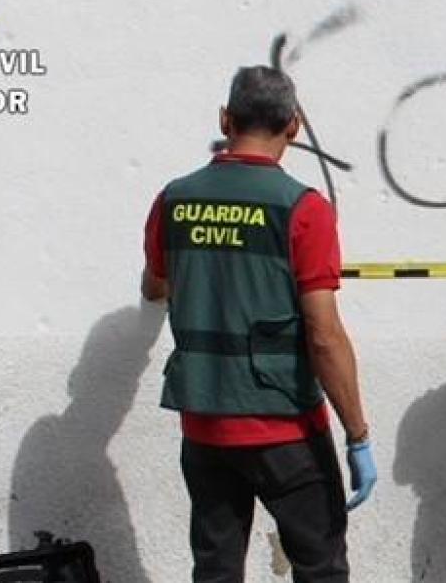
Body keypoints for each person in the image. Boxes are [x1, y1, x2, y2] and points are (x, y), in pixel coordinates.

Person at [141, 64, 376, 583]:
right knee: (320, 570)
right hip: (285, 429)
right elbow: (324, 334)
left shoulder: (174, 200)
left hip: (203, 427)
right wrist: (357, 434)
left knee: (216, 569)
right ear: (294, 126)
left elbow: (155, 284)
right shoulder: (305, 210)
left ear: (226, 119)